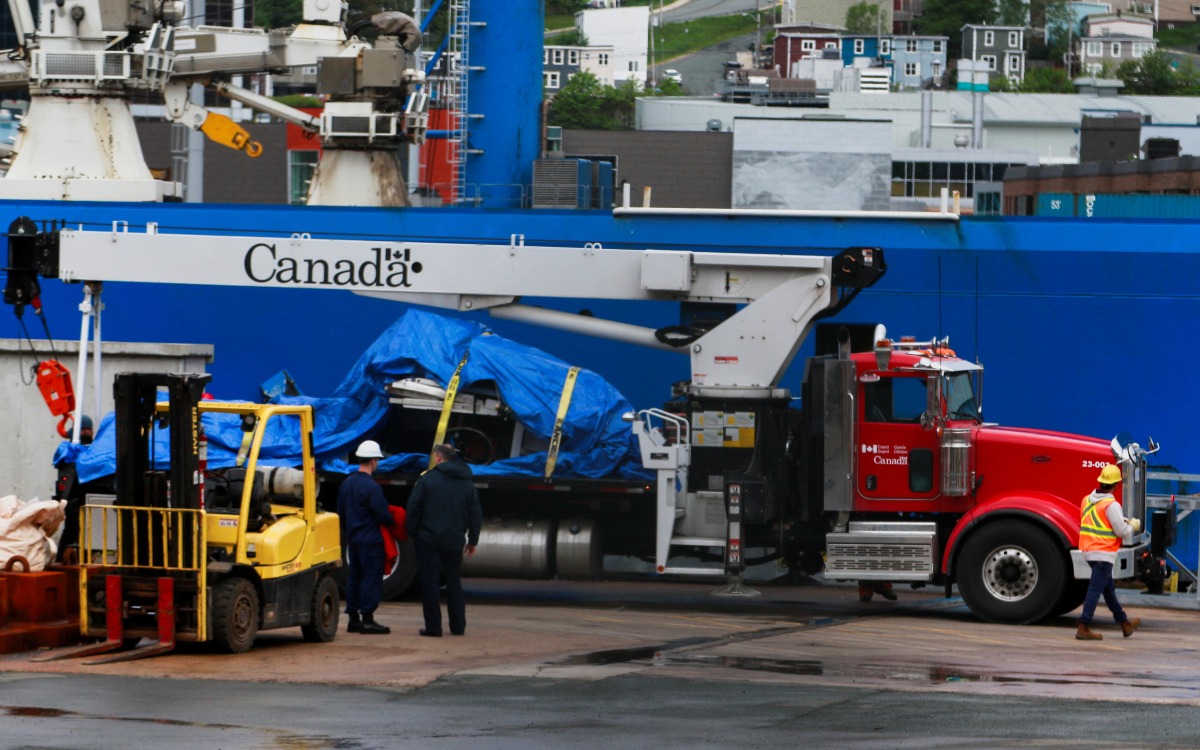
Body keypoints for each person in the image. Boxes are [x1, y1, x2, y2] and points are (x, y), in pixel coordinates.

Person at [406, 443, 482, 637]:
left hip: (428, 538)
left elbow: (414, 506)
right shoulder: (467, 482)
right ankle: (458, 627)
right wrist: (472, 540)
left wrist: (412, 532)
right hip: (454, 540)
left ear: (438, 458)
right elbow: (475, 513)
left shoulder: (427, 480)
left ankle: (434, 627)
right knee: (453, 580)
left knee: (429, 581)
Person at [1076, 463, 1142, 641]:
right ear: (1117, 485)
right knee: (1095, 589)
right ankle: (1084, 625)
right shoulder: (1111, 505)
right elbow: (1122, 532)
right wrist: (1132, 525)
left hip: (1089, 550)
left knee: (1108, 590)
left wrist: (1122, 522)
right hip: (1103, 553)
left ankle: (1124, 623)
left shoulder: (1086, 500)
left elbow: (1099, 522)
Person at [337, 440, 395, 635]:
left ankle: (353, 619)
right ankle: (368, 619)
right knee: (370, 578)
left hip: (354, 540)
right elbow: (383, 515)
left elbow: (341, 514)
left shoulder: (347, 483)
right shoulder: (372, 487)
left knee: (355, 578)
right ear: (373, 461)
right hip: (371, 540)